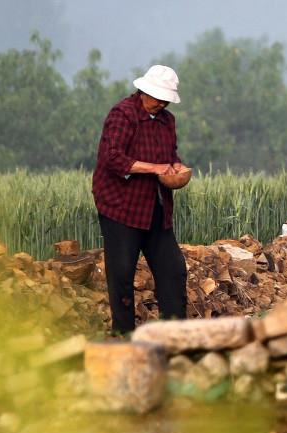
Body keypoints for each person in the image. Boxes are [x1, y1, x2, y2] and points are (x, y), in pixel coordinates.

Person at [92, 64, 193, 336]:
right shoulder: (123, 115)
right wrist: (154, 168)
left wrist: (175, 168)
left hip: (156, 207)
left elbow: (170, 155)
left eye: (165, 99)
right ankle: (124, 335)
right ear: (144, 91)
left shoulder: (166, 121)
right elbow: (112, 158)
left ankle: (175, 335)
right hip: (121, 207)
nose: (160, 103)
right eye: (157, 97)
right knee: (122, 273)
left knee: (173, 270)